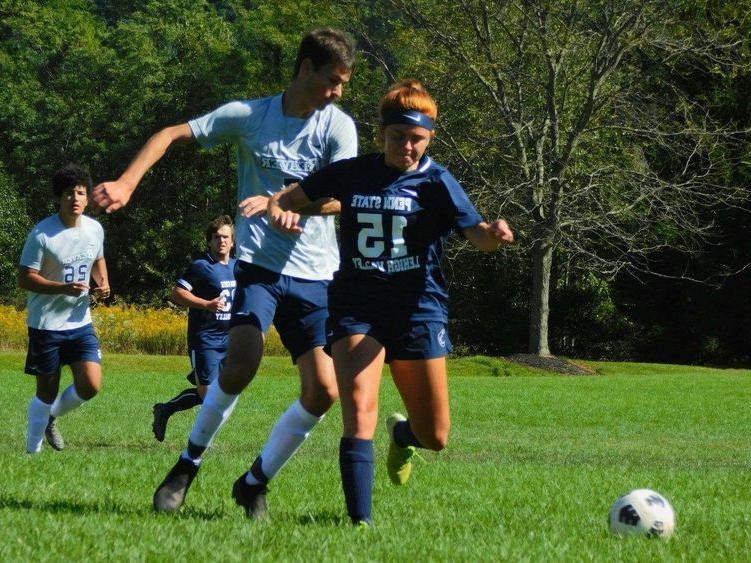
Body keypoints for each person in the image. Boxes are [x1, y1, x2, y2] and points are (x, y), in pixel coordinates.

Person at [92, 28, 358, 517]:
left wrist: (293, 204)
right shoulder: (250, 116)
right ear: (305, 69)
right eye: (332, 80)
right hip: (259, 265)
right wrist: (127, 182)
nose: (338, 91)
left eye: (343, 83)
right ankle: (186, 466)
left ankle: (254, 482)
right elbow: (170, 134)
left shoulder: (338, 127)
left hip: (317, 273)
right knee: (240, 363)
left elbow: (344, 195)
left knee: (323, 392)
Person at [267, 79, 514, 525]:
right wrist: (280, 207)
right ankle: (359, 525)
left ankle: (402, 435)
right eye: (398, 136)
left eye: (417, 138)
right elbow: (293, 197)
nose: (407, 146)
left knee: (435, 436)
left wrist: (494, 236)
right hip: (356, 304)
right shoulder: (352, 172)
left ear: (430, 137)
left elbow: (477, 236)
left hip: (418, 308)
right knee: (358, 410)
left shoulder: (437, 180)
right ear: (382, 133)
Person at [19, 163, 110, 454]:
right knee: (45, 391)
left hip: (80, 322)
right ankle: (32, 451)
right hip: (46, 325)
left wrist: (103, 282)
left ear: (87, 198)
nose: (75, 198)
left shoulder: (95, 229)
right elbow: (24, 278)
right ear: (59, 197)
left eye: (81, 193)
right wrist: (61, 288)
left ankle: (51, 419)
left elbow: (97, 259)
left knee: (91, 385)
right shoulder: (41, 234)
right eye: (69, 193)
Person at [151, 215, 236, 442]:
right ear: (209, 241)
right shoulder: (201, 266)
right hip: (205, 339)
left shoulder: (238, 267)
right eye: (216, 237)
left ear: (233, 241)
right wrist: (206, 304)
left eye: (226, 237)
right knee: (209, 397)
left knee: (217, 395)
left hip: (230, 339)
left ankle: (165, 409)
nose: (222, 241)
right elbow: (177, 293)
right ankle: (173, 417)